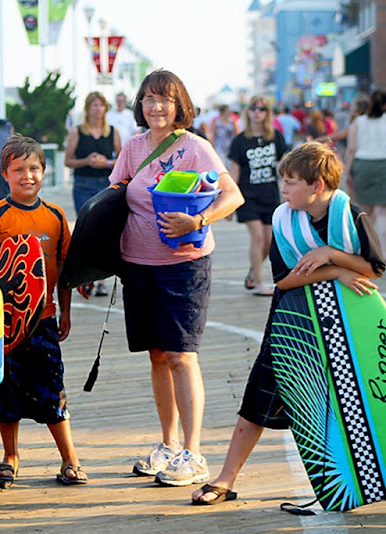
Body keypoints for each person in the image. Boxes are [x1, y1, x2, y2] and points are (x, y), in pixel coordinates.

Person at [191, 142, 384, 505]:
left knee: (360, 397)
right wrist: (337, 270)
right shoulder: (283, 219)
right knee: (257, 399)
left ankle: (372, 477)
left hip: (347, 327)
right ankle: (225, 479)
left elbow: (374, 267)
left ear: (317, 186)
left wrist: (331, 254)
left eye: (291, 182)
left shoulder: (351, 216)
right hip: (293, 325)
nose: (284, 189)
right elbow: (283, 280)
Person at [107, 70, 244, 486]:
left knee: (182, 355)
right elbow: (113, 199)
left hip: (185, 264)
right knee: (157, 355)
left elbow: (233, 196)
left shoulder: (195, 147)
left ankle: (193, 452)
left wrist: (198, 220)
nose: (156, 107)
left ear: (179, 104)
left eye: (164, 99)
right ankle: (168, 445)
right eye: (149, 99)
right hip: (137, 263)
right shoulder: (132, 148)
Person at [0, 135, 87, 488]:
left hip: (44, 319)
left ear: (44, 171)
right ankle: (10, 457)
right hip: (4, 324)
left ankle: (69, 458)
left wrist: (65, 312)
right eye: (18, 170)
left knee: (52, 387)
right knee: (4, 390)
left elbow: (64, 267)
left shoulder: (55, 215)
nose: (27, 176)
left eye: (34, 169)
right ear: (5, 174)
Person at [228, 96, 289, 296]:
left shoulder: (275, 137)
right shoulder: (239, 141)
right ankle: (260, 282)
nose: (257, 112)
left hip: (270, 195)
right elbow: (234, 173)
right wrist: (228, 202)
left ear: (267, 113)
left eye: (262, 109)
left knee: (269, 240)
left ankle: (253, 273)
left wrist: (289, 190)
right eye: (253, 108)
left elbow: (285, 167)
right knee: (258, 236)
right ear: (248, 112)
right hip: (247, 196)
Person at [65, 91, 122, 296]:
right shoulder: (77, 132)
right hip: (83, 184)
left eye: (101, 105)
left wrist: (105, 163)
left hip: (105, 184)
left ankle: (101, 280)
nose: (97, 109)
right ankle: (86, 276)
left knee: (103, 231)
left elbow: (122, 160)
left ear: (106, 108)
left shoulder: (112, 132)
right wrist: (87, 161)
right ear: (87, 108)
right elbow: (68, 161)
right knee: (87, 231)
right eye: (94, 105)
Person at [344, 90, 386, 246]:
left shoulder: (358, 122)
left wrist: (348, 172)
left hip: (362, 166)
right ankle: (383, 251)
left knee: (363, 211)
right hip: (383, 165)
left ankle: (363, 246)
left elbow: (351, 149)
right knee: (383, 212)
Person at [210, 104, 238, 169]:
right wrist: (212, 146)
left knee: (230, 166)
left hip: (230, 147)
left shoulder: (233, 121)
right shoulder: (217, 122)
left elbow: (236, 133)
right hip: (219, 147)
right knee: (221, 165)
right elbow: (213, 135)